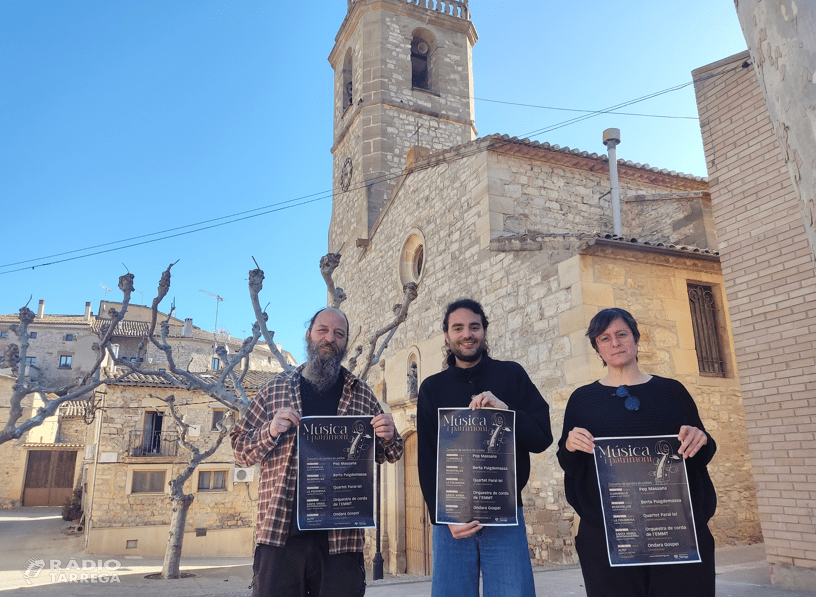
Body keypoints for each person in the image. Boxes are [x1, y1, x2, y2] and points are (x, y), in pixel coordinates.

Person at [231, 307, 404, 597]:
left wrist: (388, 435)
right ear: (308, 335)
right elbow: (239, 449)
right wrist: (269, 431)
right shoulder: (274, 390)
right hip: (280, 537)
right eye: (322, 330)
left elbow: (393, 452)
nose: (329, 338)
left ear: (345, 342)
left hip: (341, 541)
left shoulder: (362, 394)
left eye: (339, 334)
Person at [557, 307, 717, 597]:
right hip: (611, 535)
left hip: (676, 530)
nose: (615, 343)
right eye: (604, 338)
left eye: (621, 334)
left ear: (635, 338)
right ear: (597, 347)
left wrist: (701, 439)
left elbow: (701, 455)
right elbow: (570, 464)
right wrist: (569, 446)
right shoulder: (582, 400)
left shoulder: (672, 391)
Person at [417, 298, 552, 597]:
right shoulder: (431, 388)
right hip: (452, 522)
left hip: (505, 516)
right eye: (458, 328)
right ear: (447, 335)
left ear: (484, 331)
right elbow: (427, 458)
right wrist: (441, 517)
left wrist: (506, 412)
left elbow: (542, 438)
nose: (467, 334)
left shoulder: (512, 375)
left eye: (474, 327)